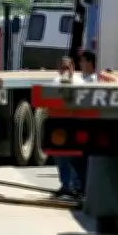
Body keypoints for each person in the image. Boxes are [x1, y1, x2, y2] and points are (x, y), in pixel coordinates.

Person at [51, 57, 82, 199]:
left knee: (74, 157)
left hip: (74, 124)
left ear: (73, 68)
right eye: (62, 67)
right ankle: (65, 185)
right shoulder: (55, 83)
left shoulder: (79, 82)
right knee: (60, 157)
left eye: (67, 67)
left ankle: (76, 186)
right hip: (59, 126)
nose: (65, 70)